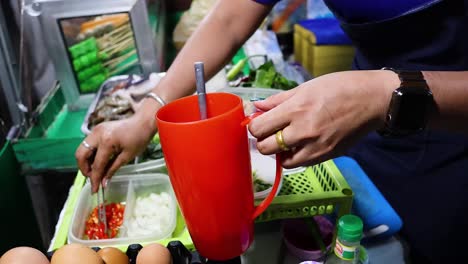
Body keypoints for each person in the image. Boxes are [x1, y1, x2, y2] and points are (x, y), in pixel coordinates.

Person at [76, 0, 468, 262]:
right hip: (366, 130)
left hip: (453, 142)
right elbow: (231, 17)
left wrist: (384, 94)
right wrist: (147, 115)